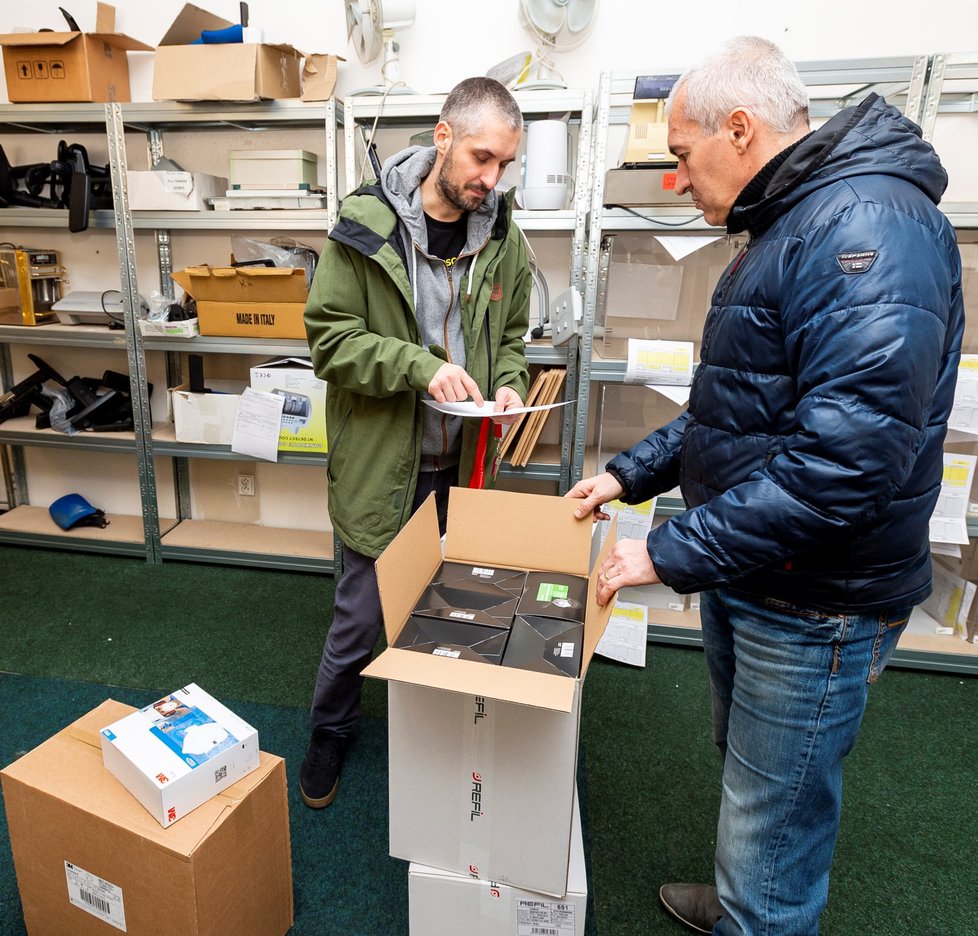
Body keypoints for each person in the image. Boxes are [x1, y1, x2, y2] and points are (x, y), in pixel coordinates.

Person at [567, 36, 963, 936]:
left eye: (679, 157)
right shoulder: (798, 222)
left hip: (817, 595)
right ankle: (747, 892)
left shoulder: (864, 229)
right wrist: (629, 474)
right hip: (762, 572)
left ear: (738, 130)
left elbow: (844, 467)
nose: (677, 183)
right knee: (759, 785)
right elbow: (740, 410)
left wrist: (668, 551)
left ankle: (760, 909)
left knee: (776, 816)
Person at [300, 77, 531, 809]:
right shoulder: (363, 228)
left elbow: (515, 339)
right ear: (442, 136)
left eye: (504, 165)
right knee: (361, 617)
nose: (490, 179)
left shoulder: (503, 238)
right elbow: (332, 343)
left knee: (452, 609)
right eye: (481, 157)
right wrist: (419, 368)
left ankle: (437, 734)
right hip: (382, 467)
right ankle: (331, 728)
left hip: (463, 467)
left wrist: (510, 385)